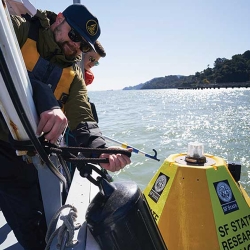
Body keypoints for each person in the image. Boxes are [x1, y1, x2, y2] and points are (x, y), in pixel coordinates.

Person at [0, 4, 131, 250]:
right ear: (58, 19)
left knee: (36, 232)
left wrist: (101, 150)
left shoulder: (73, 76)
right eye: (74, 36)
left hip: (25, 158)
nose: (76, 47)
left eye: (83, 45)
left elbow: (82, 116)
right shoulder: (18, 31)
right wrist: (46, 99)